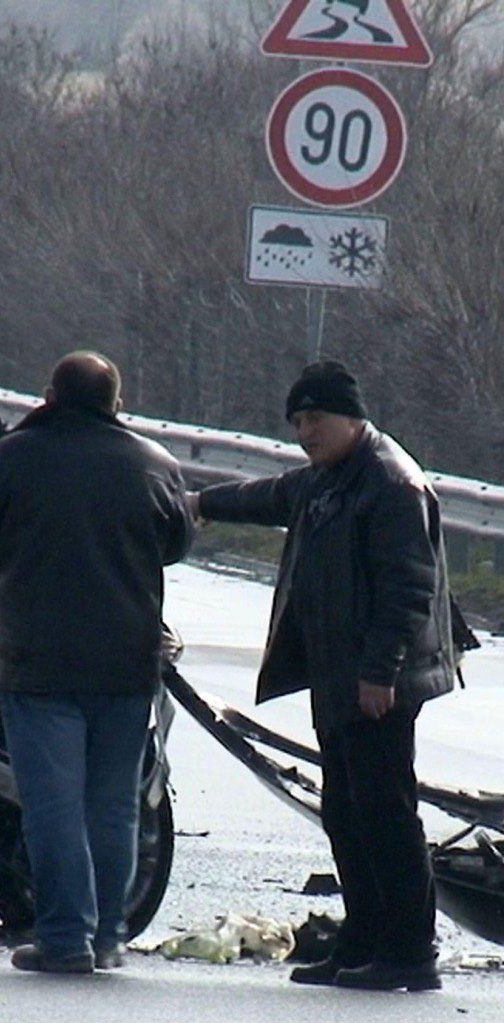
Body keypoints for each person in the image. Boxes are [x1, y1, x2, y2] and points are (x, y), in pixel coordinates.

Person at [188, 360, 454, 993]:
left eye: (315, 419)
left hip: (377, 680)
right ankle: (362, 939)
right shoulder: (327, 478)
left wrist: (379, 672)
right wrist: (199, 502)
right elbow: (268, 495)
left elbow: (407, 590)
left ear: (350, 416)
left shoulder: (390, 483)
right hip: (337, 674)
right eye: (297, 421)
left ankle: (410, 952)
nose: (305, 431)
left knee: (386, 813)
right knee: (344, 810)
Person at [0, 350, 193, 974]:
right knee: (113, 807)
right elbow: (177, 542)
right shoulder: (153, 463)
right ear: (116, 401)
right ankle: (108, 937)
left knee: (54, 805)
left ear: (50, 395)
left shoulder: (15, 456)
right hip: (126, 662)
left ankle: (64, 939)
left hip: (40, 661)